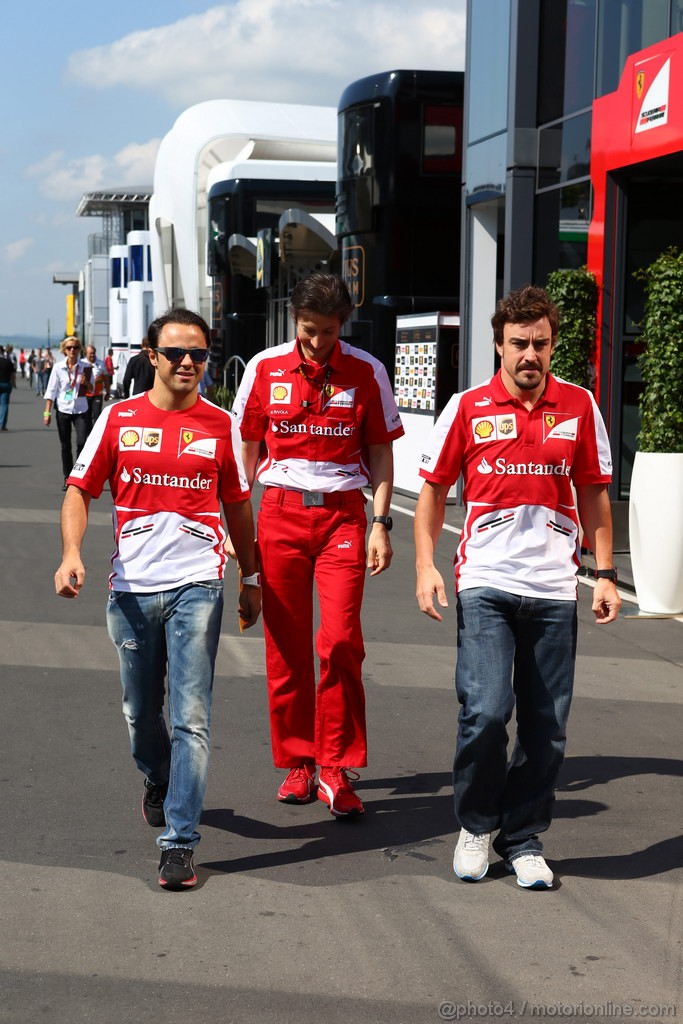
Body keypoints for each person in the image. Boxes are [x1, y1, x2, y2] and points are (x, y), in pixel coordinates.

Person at [414, 285, 621, 890]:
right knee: (484, 711)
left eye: (540, 343)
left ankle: (523, 836)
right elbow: (431, 489)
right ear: (498, 346)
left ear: (552, 345)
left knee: (546, 725)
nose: (530, 354)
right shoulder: (467, 407)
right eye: (518, 344)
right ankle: (476, 825)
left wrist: (604, 574)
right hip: (486, 582)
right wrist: (426, 565)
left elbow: (595, 495)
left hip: (556, 588)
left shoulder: (579, 407)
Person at [54, 307, 261, 891]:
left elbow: (239, 508)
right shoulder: (118, 419)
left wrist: (250, 578)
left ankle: (178, 841)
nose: (189, 363)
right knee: (141, 713)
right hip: (131, 589)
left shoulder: (220, 425)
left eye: (199, 353)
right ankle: (158, 777)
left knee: (191, 716)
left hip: (199, 584)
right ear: (152, 356)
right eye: (176, 353)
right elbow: (78, 488)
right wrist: (72, 553)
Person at [232, 272, 404, 817]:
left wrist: (381, 522)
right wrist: (240, 529)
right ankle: (299, 762)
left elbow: (380, 452)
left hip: (344, 518)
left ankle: (336, 764)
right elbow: (247, 450)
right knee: (285, 644)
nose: (316, 341)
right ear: (294, 319)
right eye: (308, 330)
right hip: (280, 510)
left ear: (343, 324)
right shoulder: (263, 368)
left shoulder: (366, 370)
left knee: (340, 641)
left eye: (327, 331)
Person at [43, 338, 93, 489]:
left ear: (79, 350)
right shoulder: (58, 368)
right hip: (63, 409)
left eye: (76, 347)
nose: (73, 350)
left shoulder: (86, 367)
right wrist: (47, 413)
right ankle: (68, 476)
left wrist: (86, 383)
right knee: (65, 445)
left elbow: (91, 389)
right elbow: (51, 391)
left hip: (80, 409)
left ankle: (79, 474)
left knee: (82, 442)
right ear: (64, 350)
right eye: (70, 347)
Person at [84, 344, 108, 423]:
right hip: (85, 395)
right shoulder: (82, 363)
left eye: (93, 353)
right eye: (90, 353)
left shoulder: (101, 363)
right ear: (86, 354)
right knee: (86, 416)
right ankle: (88, 434)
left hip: (97, 394)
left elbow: (106, 378)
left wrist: (108, 392)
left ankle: (96, 434)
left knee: (97, 416)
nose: (92, 355)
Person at [0, 346, 16, 431]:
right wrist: (13, 383)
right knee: (4, 405)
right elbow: (13, 374)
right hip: (6, 383)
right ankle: (2, 424)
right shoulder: (8, 362)